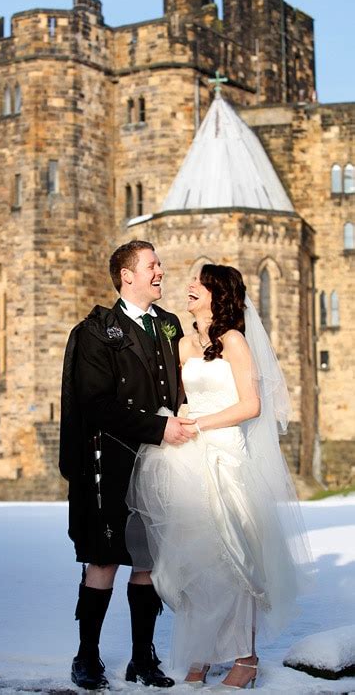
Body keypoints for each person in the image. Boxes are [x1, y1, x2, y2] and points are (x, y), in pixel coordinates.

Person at [126, 264, 314, 691]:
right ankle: (202, 653)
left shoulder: (234, 341)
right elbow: (174, 397)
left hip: (225, 455)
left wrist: (202, 422)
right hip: (188, 457)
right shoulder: (184, 343)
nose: (189, 286)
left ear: (219, 294)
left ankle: (245, 659)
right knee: (195, 557)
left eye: (200, 282)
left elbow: (251, 405)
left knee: (232, 555)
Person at [59, 240, 196, 690]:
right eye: (152, 265)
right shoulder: (97, 331)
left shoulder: (170, 325)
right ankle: (87, 657)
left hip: (160, 466)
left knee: (148, 562)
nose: (161, 271)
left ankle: (142, 658)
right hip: (110, 465)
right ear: (127, 275)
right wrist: (158, 429)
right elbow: (94, 404)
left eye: (159, 264)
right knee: (102, 560)